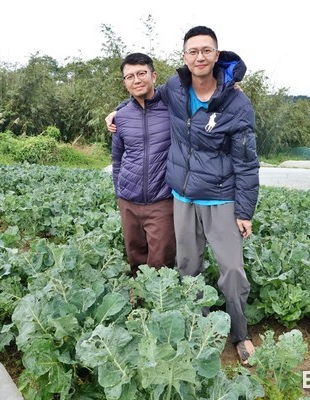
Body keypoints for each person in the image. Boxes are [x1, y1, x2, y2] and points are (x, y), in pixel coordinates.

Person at [106, 26, 259, 366]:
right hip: (182, 196)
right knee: (188, 267)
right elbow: (140, 93)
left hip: (220, 197)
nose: (199, 57)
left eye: (206, 50)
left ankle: (240, 333)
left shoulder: (236, 101)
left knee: (232, 270)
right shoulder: (175, 88)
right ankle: (199, 326)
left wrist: (245, 210)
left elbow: (246, 162)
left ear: (216, 55)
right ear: (184, 57)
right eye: (193, 51)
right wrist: (116, 112)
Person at [111, 52, 175, 276]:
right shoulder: (121, 116)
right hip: (129, 200)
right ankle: (137, 305)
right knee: (135, 257)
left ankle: (159, 306)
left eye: (141, 74)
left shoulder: (172, 109)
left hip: (162, 200)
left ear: (154, 76)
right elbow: (117, 158)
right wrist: (119, 191)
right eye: (130, 76)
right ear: (124, 82)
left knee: (161, 262)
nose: (136, 80)